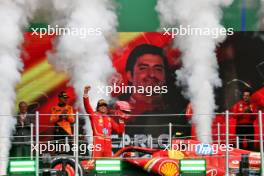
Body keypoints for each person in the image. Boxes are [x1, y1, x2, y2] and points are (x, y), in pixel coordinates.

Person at [113, 44, 190, 148]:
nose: (152, 74)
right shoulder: (114, 112)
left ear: (165, 77)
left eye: (158, 69)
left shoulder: (180, 114)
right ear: (129, 75)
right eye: (143, 68)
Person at [83, 85, 125, 158]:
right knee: (96, 165)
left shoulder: (109, 119)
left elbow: (120, 131)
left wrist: (121, 120)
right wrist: (86, 93)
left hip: (108, 147)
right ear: (98, 107)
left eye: (105, 105)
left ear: (106, 108)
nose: (103, 107)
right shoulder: (94, 115)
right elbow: (87, 106)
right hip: (98, 146)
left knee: (107, 166)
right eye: (101, 105)